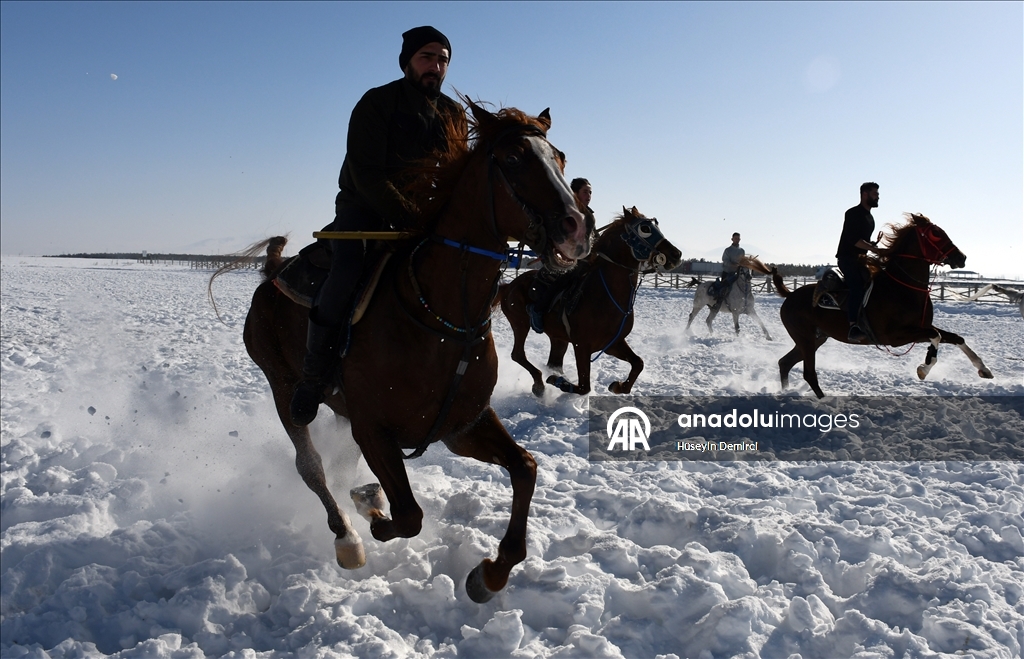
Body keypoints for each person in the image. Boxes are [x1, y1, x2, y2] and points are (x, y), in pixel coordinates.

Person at [290, 26, 465, 427]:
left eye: (442, 59)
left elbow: (457, 173)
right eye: (426, 57)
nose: (435, 66)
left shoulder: (453, 114)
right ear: (407, 62)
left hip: (423, 216)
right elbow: (366, 172)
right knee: (348, 271)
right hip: (363, 208)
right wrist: (409, 215)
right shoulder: (377, 103)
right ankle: (314, 378)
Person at [527, 178, 593, 332]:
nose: (589, 196)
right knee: (566, 277)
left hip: (584, 260)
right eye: (585, 192)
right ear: (574, 193)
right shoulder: (564, 213)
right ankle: (538, 309)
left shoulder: (589, 215)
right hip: (562, 260)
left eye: (590, 192)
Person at [836, 181, 884, 343]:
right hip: (847, 259)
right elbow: (853, 239)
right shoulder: (853, 213)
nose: (878, 197)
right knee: (856, 286)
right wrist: (873, 249)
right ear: (865, 194)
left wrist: (872, 245)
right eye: (875, 194)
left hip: (861, 260)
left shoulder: (870, 218)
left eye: (877, 194)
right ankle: (853, 326)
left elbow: (863, 241)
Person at [710, 232, 745, 302]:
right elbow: (725, 260)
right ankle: (719, 303)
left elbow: (743, 261)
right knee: (723, 289)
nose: (737, 240)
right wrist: (733, 264)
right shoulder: (728, 250)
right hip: (727, 273)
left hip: (737, 274)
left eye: (738, 238)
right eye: (735, 238)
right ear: (732, 239)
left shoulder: (742, 251)